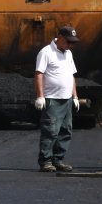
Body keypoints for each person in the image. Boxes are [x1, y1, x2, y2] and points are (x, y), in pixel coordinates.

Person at [34, 26, 80, 173]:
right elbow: (39, 74)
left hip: (66, 99)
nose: (70, 45)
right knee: (50, 131)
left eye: (72, 43)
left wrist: (75, 96)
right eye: (68, 42)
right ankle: (46, 161)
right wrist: (40, 96)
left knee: (66, 131)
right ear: (59, 37)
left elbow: (71, 75)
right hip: (52, 99)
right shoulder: (46, 52)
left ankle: (58, 160)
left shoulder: (68, 54)